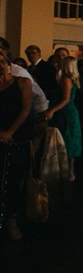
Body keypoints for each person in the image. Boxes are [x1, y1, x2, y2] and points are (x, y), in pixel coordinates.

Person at [0, 52, 34, 241]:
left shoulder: (22, 83)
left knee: (15, 180)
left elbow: (26, 109)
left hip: (17, 138)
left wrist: (10, 132)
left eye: (2, 62)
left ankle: (11, 220)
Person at [41, 56, 83, 180]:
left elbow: (65, 99)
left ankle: (67, 176)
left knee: (66, 140)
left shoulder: (66, 79)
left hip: (66, 113)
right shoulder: (72, 79)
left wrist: (51, 110)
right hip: (69, 111)